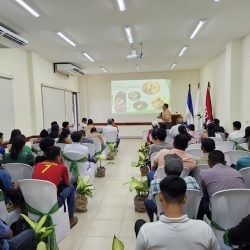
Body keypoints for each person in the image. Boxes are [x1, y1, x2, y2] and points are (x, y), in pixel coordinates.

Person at [135, 176, 220, 250]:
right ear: (185, 198)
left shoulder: (146, 231)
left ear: (160, 197)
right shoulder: (204, 229)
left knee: (139, 223)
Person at [145, 154, 200, 222]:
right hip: (188, 216)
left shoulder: (155, 183)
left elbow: (152, 200)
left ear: (164, 170)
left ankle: (152, 221)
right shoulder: (192, 181)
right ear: (182, 169)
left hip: (163, 215)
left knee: (147, 201)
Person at [32, 146, 78, 228]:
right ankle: (70, 217)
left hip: (34, 200)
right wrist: (62, 164)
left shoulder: (38, 165)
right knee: (71, 187)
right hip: (52, 202)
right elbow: (67, 183)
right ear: (58, 157)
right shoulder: (61, 166)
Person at [198, 150, 244, 219]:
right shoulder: (237, 173)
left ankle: (200, 224)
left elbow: (205, 194)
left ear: (208, 162)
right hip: (240, 212)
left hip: (217, 214)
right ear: (225, 162)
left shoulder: (204, 173)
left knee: (203, 199)